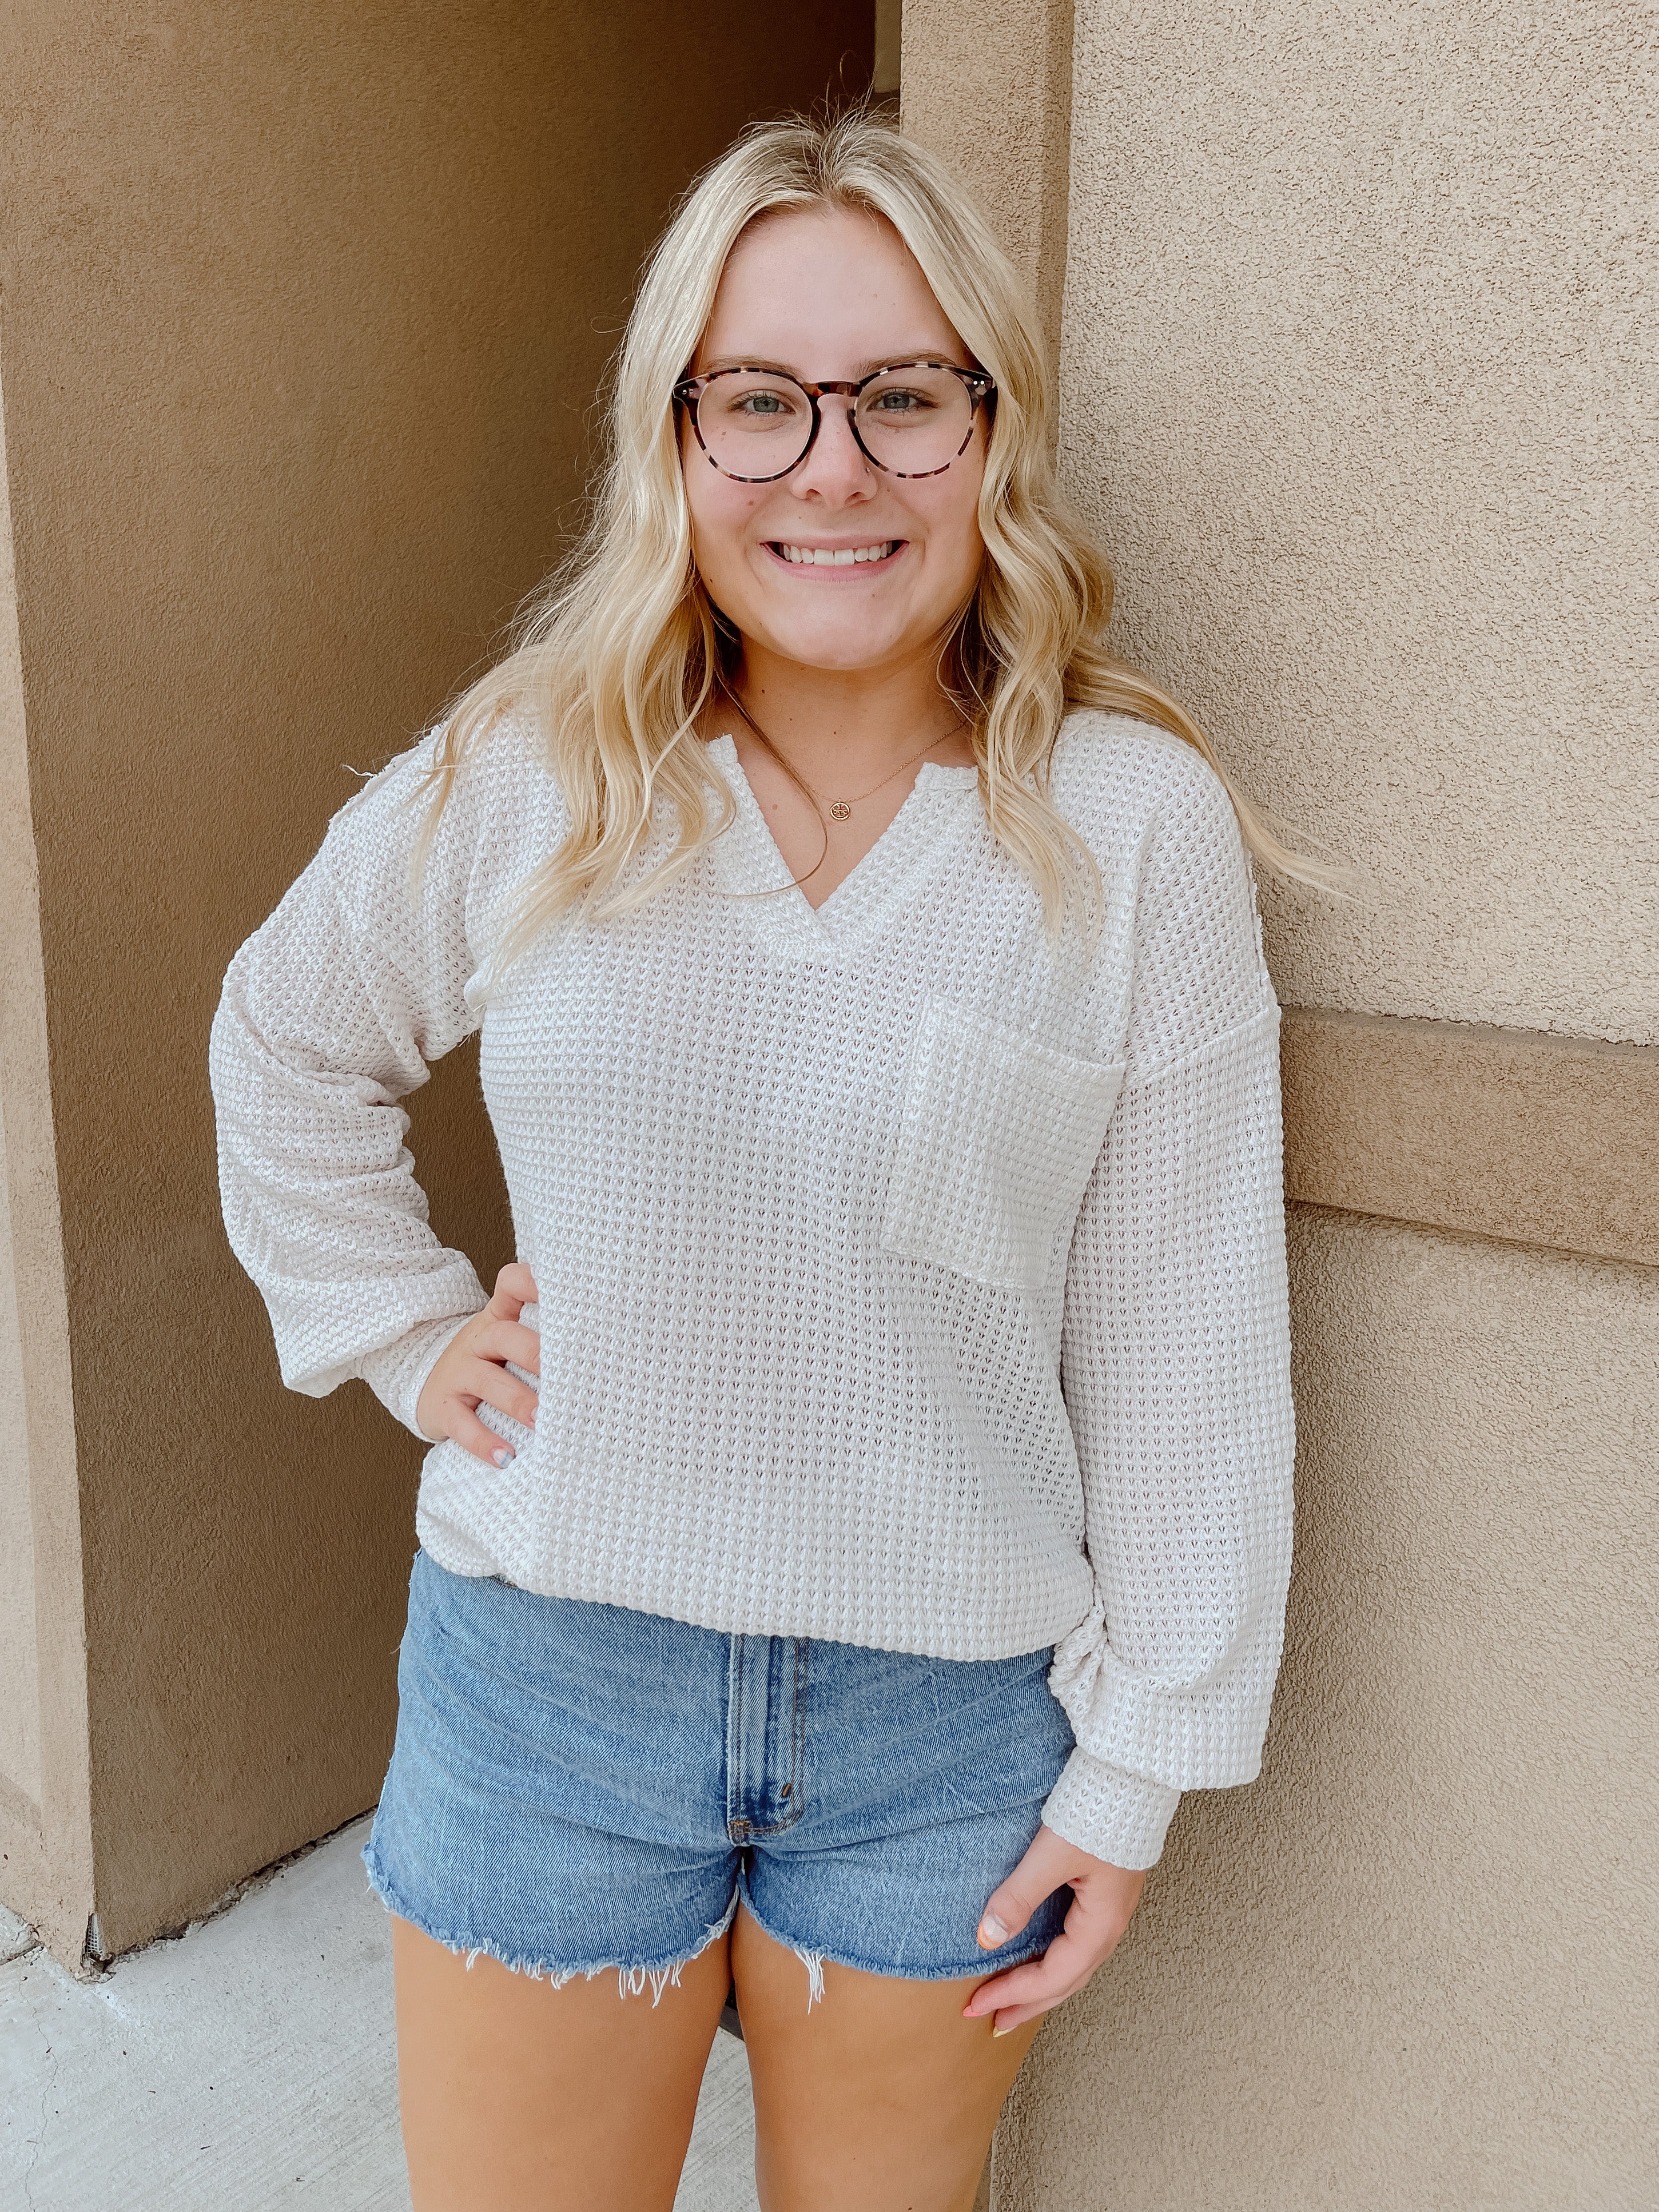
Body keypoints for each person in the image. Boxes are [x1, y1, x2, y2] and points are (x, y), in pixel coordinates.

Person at [211, 106, 1300, 2212]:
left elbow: (1188, 1333)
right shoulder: (538, 772)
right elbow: (286, 1033)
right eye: (762, 401)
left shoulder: (1128, 830)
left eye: (904, 397)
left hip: (944, 1733)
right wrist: (404, 1332)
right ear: (678, 439)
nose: (833, 467)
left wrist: (1143, 1766)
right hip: (553, 1692)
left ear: (992, 429)